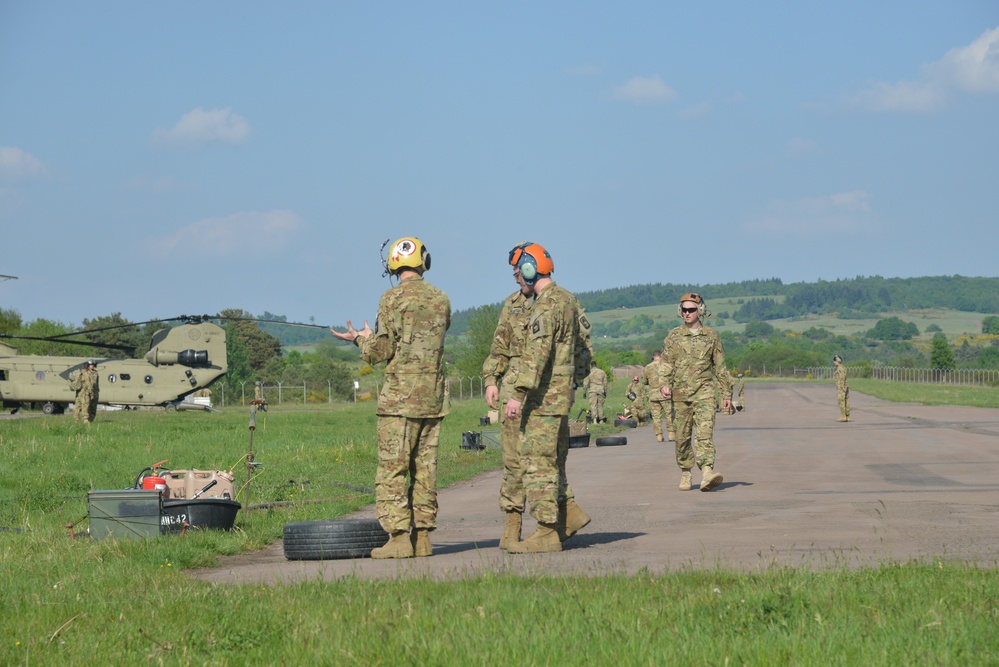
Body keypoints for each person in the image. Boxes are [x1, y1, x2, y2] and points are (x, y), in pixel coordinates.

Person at [331, 237, 450, 559]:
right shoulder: (441, 299)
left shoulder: (391, 299)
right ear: (424, 260)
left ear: (393, 264)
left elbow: (382, 351)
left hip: (400, 400)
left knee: (393, 469)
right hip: (434, 399)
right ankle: (423, 537)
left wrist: (359, 340)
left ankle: (399, 538)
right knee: (425, 470)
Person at [503, 242, 592, 554]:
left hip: (541, 400)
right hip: (561, 397)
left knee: (537, 463)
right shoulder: (568, 300)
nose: (516, 277)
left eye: (519, 270)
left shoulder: (543, 305)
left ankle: (545, 533)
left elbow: (536, 353)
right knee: (553, 461)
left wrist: (518, 393)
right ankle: (569, 517)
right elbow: (584, 350)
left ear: (530, 268)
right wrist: (572, 383)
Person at [660, 293, 731, 492]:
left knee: (704, 434)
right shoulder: (674, 336)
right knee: (682, 437)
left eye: (691, 309)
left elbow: (720, 367)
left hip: (705, 393)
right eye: (684, 310)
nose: (687, 313)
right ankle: (685, 471)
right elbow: (665, 363)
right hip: (680, 394)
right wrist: (664, 384)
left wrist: (726, 394)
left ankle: (707, 472)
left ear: (700, 310)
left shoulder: (711, 336)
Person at [641, 351, 672, 442]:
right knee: (669, 414)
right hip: (665, 393)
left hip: (653, 394)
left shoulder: (647, 367)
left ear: (653, 356)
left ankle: (659, 435)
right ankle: (671, 433)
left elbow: (644, 381)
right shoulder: (666, 365)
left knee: (656, 417)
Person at [71, 360, 100, 424]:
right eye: (91, 365)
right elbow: (88, 383)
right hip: (85, 392)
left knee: (89, 407)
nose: (93, 366)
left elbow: (96, 383)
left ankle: (84, 420)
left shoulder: (95, 373)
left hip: (87, 392)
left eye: (93, 365)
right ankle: (84, 420)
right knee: (84, 406)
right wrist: (91, 393)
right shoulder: (85, 373)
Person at [834, 355, 850, 422]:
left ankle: (843, 416)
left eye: (835, 361)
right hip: (844, 386)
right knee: (846, 401)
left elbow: (842, 378)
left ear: (837, 361)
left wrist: (843, 387)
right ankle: (847, 416)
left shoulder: (840, 368)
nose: (834, 362)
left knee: (841, 401)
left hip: (841, 387)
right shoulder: (843, 367)